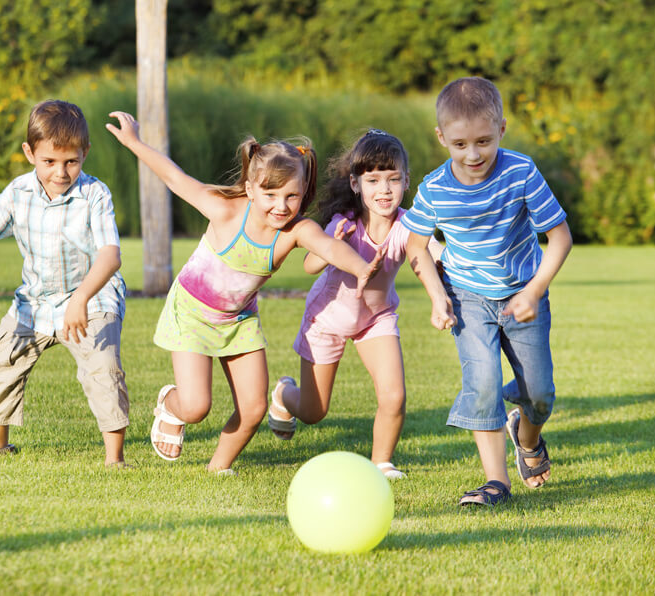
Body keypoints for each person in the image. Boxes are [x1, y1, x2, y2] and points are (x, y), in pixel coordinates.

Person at [106, 111, 382, 474]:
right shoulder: (224, 211)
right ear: (251, 189)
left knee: (253, 409)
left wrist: (361, 267)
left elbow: (328, 247)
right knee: (196, 406)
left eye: (292, 196)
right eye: (270, 194)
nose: (281, 206)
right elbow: (176, 178)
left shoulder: (295, 231)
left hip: (238, 320)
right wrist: (135, 143)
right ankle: (172, 406)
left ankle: (217, 469)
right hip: (191, 313)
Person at [402, 77, 572, 506]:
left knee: (539, 393)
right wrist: (438, 296)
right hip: (468, 297)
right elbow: (415, 245)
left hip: (522, 295)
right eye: (459, 144)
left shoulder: (520, 172)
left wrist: (534, 291)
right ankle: (496, 481)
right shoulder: (435, 188)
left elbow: (560, 236)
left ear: (501, 129)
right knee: (482, 382)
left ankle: (527, 437)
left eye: (483, 140)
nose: (472, 154)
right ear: (442, 137)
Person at [0, 100, 130, 468]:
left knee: (102, 368)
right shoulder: (17, 193)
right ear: (30, 153)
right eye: (49, 161)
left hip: (92, 298)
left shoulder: (95, 195)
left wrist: (82, 297)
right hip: (34, 303)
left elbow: (110, 256)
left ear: (85, 153)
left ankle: (115, 460)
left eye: (71, 161)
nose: (61, 172)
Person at [267, 129, 443, 479]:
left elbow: (430, 254)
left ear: (407, 181)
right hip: (327, 319)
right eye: (373, 180)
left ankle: (382, 462)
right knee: (314, 411)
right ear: (355, 183)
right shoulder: (343, 223)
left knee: (393, 396)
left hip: (375, 319)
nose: (385, 189)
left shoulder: (408, 225)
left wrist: (450, 274)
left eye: (393, 179)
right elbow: (309, 265)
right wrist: (330, 243)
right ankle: (284, 394)